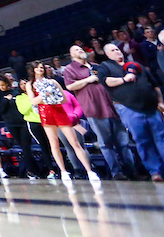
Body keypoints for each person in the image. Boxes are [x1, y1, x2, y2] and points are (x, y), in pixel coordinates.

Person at [63, 43, 135, 180]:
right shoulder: (70, 69)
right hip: (94, 109)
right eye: (77, 50)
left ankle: (131, 171)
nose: (81, 50)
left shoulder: (96, 66)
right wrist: (87, 80)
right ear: (72, 55)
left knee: (123, 142)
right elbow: (70, 85)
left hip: (111, 106)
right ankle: (117, 172)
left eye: (81, 48)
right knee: (106, 144)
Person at [97, 42, 164, 182]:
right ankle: (155, 171)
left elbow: (155, 85)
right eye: (113, 50)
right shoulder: (106, 66)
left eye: (118, 49)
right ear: (107, 54)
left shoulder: (135, 65)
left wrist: (161, 102)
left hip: (152, 108)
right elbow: (105, 81)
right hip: (129, 108)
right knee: (143, 140)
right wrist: (123, 79)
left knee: (161, 137)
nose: (117, 52)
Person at [28, 60, 100, 185]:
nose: (40, 69)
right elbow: (33, 101)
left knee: (74, 142)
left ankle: (89, 171)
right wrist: (46, 94)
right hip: (45, 113)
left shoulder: (53, 82)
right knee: (54, 143)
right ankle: (63, 171)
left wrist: (52, 97)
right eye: (38, 68)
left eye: (42, 67)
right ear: (33, 69)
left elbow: (64, 98)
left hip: (58, 111)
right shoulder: (30, 84)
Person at [0, 76, 43, 178]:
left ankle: (32, 171)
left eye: (3, 85)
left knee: (26, 147)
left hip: (23, 122)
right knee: (23, 148)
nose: (1, 87)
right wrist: (6, 100)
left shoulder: (16, 92)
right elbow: (0, 109)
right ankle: (34, 170)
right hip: (11, 124)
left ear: (7, 83)